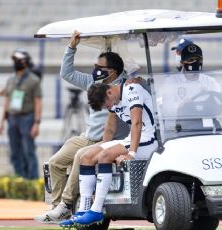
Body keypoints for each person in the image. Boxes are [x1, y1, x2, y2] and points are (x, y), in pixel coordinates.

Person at [34, 31, 135, 224]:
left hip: (106, 140)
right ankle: (58, 208)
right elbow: (66, 73)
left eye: (99, 66)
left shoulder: (124, 85)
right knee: (55, 162)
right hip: (87, 136)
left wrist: (135, 79)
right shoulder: (93, 82)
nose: (95, 69)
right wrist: (72, 47)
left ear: (112, 71)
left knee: (80, 157)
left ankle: (66, 204)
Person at [68, 81, 157, 227]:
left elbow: (137, 123)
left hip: (149, 138)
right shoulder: (114, 97)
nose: (108, 107)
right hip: (132, 138)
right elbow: (109, 129)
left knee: (104, 156)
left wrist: (131, 154)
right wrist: (104, 147)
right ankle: (84, 210)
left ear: (109, 92)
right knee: (87, 157)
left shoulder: (132, 90)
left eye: (106, 104)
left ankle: (96, 210)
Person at [0, 50, 42, 179]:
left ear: (25, 62)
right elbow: (7, 100)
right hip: (12, 118)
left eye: (19, 60)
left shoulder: (34, 80)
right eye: (15, 61)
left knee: (29, 151)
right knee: (14, 152)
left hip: (27, 118)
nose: (16, 63)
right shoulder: (11, 80)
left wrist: (36, 123)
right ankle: (20, 178)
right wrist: (1, 121)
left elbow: (38, 102)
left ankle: (32, 180)